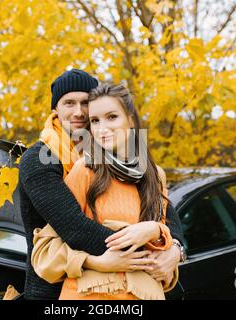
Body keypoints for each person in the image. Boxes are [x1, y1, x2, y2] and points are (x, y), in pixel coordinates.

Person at [18, 69, 185, 300]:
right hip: (53, 289)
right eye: (68, 103)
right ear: (55, 110)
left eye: (85, 103)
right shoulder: (40, 159)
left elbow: (165, 215)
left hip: (129, 289)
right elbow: (75, 227)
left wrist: (174, 247)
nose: (78, 112)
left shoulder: (121, 160)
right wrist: (147, 252)